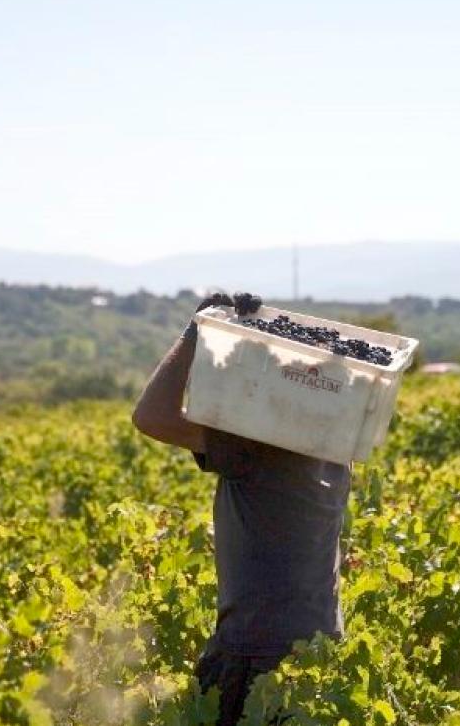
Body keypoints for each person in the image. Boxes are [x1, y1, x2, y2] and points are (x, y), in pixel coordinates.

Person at [130, 291, 352, 726]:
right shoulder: (335, 447)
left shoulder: (260, 445)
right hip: (319, 647)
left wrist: (199, 332)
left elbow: (151, 415)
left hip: (257, 654)